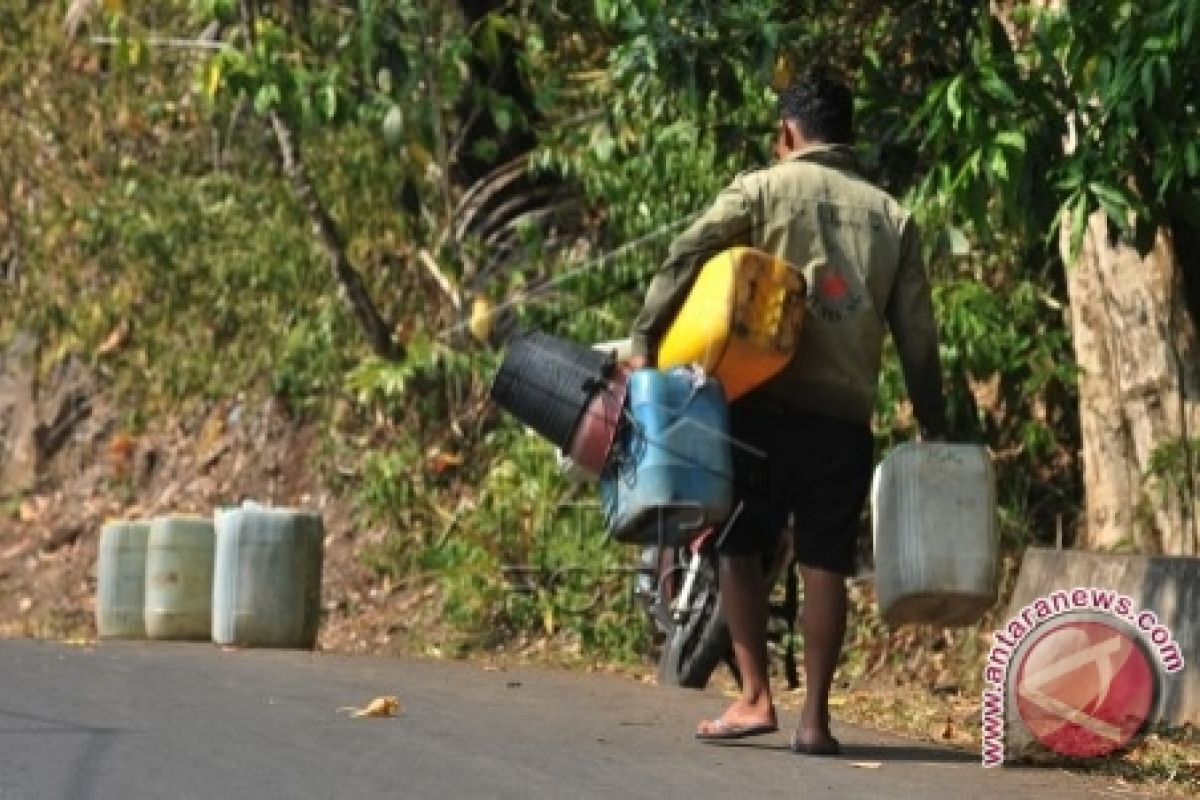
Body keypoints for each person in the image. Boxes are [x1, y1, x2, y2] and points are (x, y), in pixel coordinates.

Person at [626, 72, 948, 755]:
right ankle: (817, 721)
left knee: (736, 547)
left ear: (787, 135)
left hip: (757, 404)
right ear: (848, 137)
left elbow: (688, 250)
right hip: (843, 418)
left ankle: (754, 698)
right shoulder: (893, 217)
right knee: (826, 562)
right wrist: (932, 415)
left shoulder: (764, 189)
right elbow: (917, 332)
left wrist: (646, 339)